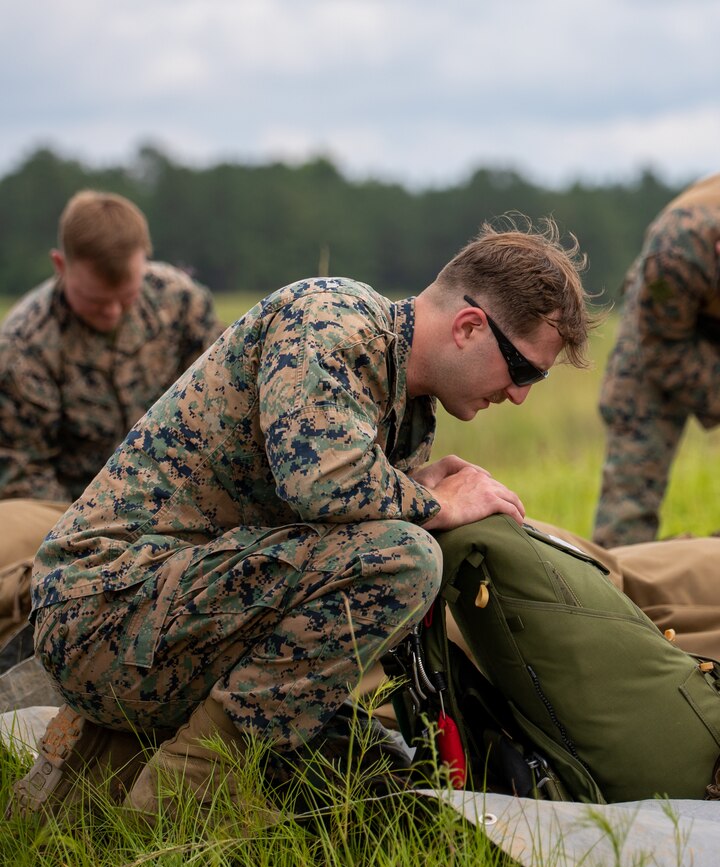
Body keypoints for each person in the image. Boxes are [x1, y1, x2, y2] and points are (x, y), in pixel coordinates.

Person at [8, 216, 593, 819]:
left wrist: (413, 489)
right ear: (469, 327)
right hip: (100, 611)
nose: (521, 395)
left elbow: (324, 514)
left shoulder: (407, 405)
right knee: (404, 558)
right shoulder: (332, 319)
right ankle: (190, 797)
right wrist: (434, 503)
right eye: (523, 371)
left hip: (163, 615)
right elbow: (321, 482)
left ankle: (126, 777)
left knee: (373, 764)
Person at [0, 190, 223, 670]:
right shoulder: (24, 347)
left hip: (186, 507)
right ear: (60, 264)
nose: (114, 314)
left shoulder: (183, 306)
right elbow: (23, 471)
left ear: (146, 259)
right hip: (72, 519)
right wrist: (98, 542)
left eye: (126, 298)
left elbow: (223, 414)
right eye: (98, 302)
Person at [593, 173, 720, 547]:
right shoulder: (676, 251)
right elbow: (662, 349)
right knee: (630, 494)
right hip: (662, 335)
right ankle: (618, 590)